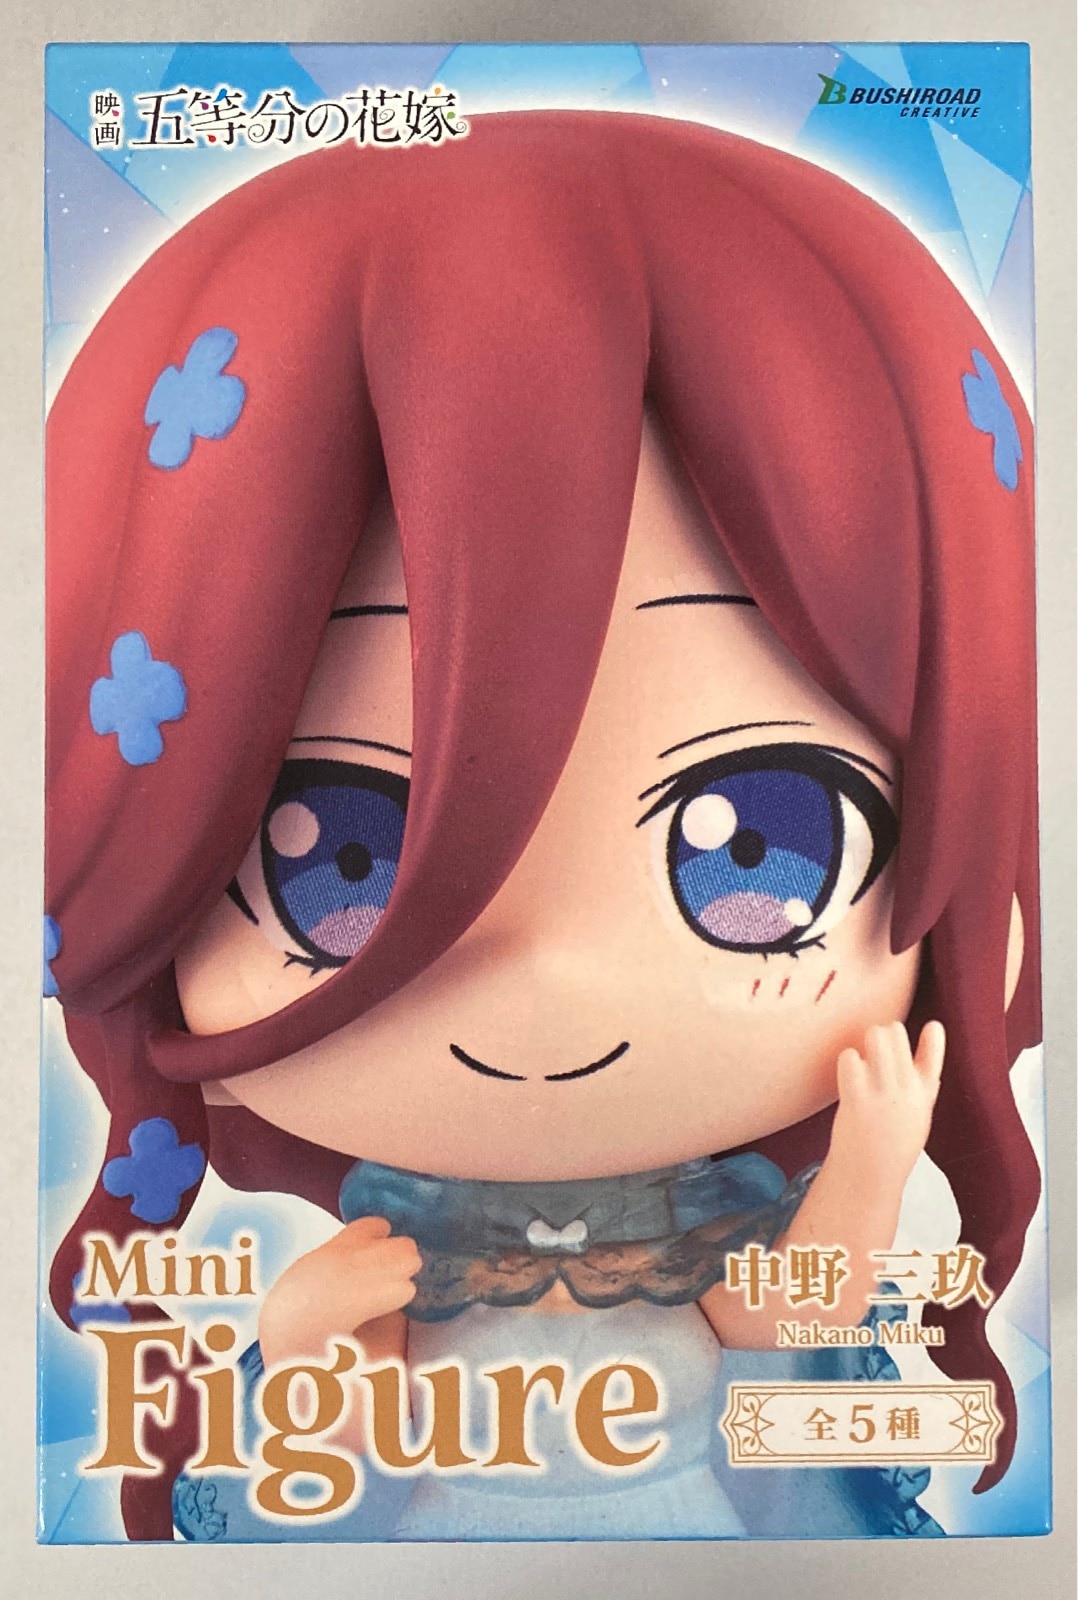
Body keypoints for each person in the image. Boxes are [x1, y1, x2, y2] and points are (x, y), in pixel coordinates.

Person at [44, 110, 1040, 1542]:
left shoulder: (721, 1232)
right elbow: (327, 1484)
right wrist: (312, 1341)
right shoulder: (401, 1248)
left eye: (763, 847)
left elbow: (783, 1369)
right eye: (343, 865)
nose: (553, 977)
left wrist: (867, 1181)